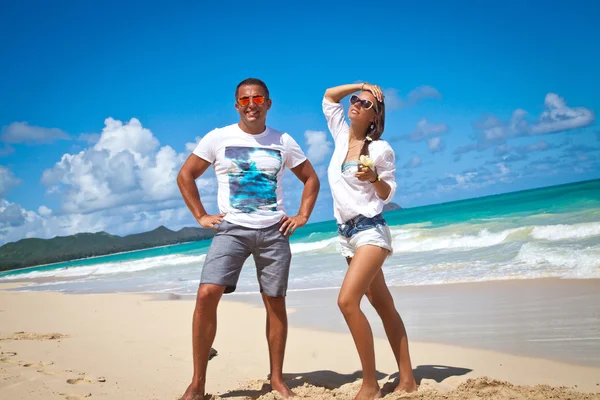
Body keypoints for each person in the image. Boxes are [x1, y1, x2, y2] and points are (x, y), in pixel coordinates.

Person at [177, 77, 320, 399]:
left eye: (258, 99)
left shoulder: (283, 140)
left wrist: (302, 215)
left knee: (275, 302)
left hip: (274, 231)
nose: (251, 105)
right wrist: (200, 216)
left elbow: (310, 178)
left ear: (268, 104)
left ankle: (277, 380)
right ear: (236, 105)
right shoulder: (218, 138)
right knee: (206, 294)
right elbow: (185, 175)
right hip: (232, 230)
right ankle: (197, 384)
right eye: (244, 100)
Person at [322, 83, 417, 399]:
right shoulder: (339, 137)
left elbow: (388, 192)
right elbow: (328, 96)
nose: (356, 104)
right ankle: (408, 380)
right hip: (346, 235)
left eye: (365, 104)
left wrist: (374, 178)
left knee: (347, 302)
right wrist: (363, 85)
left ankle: (370, 385)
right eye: (355, 101)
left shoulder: (379, 149)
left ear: (375, 116)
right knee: (383, 305)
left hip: (370, 232)